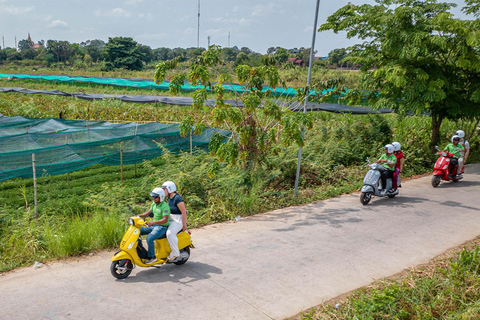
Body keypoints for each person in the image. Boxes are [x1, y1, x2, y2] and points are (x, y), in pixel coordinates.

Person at [137, 187, 170, 264]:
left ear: (161, 197)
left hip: (162, 227)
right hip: (154, 226)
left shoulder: (165, 207)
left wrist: (153, 223)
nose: (153, 198)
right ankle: (141, 251)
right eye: (152, 196)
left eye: (155, 197)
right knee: (137, 231)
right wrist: (139, 216)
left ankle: (152, 257)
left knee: (149, 238)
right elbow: (148, 213)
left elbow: (165, 220)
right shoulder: (154, 204)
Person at [162, 181, 188, 261]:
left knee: (170, 234)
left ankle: (175, 252)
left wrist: (184, 225)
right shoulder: (169, 198)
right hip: (171, 218)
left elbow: (183, 212)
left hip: (177, 220)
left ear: (170, 189)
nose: (163, 191)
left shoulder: (177, 198)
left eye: (164, 189)